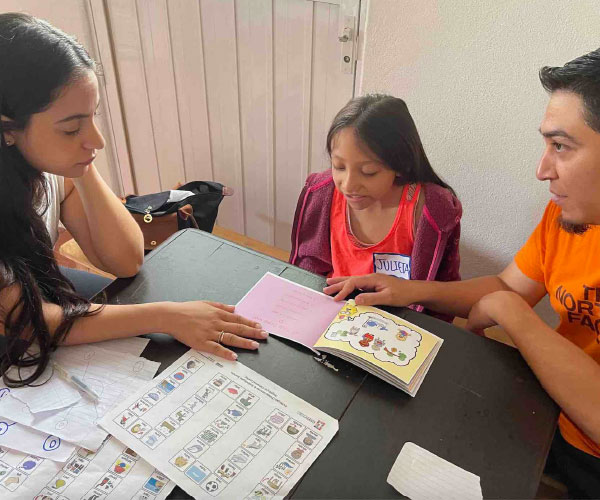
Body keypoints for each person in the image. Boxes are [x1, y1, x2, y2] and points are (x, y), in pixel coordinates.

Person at [325, 51, 600, 498]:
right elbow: (507, 286)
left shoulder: (433, 207)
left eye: (561, 147)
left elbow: (508, 302)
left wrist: (512, 313)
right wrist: (408, 289)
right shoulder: (568, 216)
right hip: (546, 413)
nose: (541, 169)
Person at [0, 13, 267, 386]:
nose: (97, 139)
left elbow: (125, 259)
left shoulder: (47, 168)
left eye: (93, 117)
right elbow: (31, 323)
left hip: (37, 292)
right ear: (7, 129)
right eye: (72, 128)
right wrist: (165, 316)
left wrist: (83, 165)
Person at [289, 94, 462, 321]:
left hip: (397, 324)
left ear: (401, 165)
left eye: (368, 171)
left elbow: (442, 294)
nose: (348, 185)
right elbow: (306, 269)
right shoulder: (321, 194)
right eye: (338, 166)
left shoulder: (431, 210)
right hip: (330, 313)